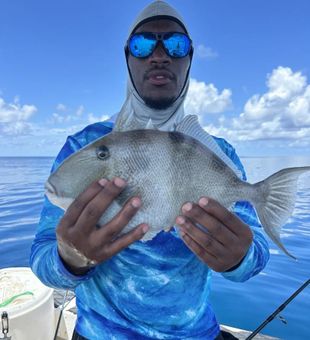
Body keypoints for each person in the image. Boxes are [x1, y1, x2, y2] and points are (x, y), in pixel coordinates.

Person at [30, 1, 270, 339]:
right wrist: (70, 258)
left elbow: (257, 255)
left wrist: (239, 258)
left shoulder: (220, 154)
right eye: (143, 45)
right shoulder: (82, 144)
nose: (160, 55)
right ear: (127, 59)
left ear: (189, 60)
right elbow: (41, 257)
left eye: (176, 45)